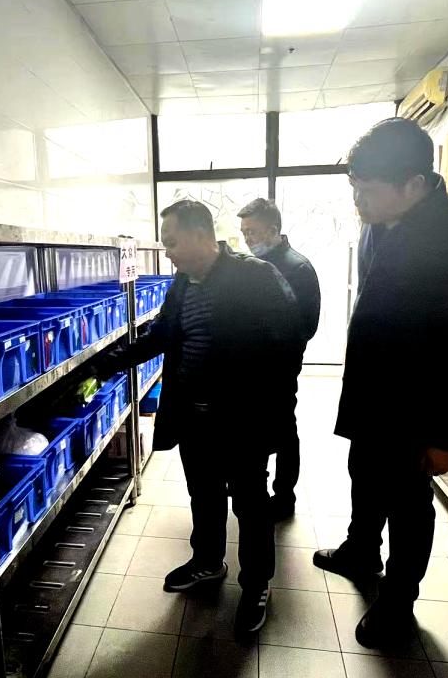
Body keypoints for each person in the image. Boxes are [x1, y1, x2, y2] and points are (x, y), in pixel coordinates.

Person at [313, 118, 448, 648]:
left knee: (408, 503)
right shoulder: (380, 222)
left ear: (414, 184)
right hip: (374, 391)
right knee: (363, 474)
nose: (358, 201)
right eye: (355, 188)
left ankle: (398, 602)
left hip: (420, 403)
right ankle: (360, 550)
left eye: (368, 190)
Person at [92, 199, 298, 635]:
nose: (168, 252)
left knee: (250, 503)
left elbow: (287, 348)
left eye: (172, 243)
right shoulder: (183, 283)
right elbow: (163, 334)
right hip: (194, 417)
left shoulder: (256, 277)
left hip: (242, 420)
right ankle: (207, 562)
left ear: (202, 234)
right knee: (203, 495)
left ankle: (256, 584)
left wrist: (271, 415)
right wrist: (108, 362)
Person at [237, 198, 321, 522]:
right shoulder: (250, 265)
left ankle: (285, 495)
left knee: (284, 430)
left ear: (273, 230)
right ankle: (252, 485)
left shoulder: (297, 268)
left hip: (279, 366)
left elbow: (306, 326)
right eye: (244, 232)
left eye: (253, 232)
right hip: (250, 365)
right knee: (255, 429)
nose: (248, 239)